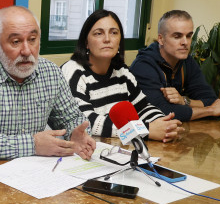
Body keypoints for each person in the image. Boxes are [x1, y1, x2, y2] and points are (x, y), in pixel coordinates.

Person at [0, 5, 96, 160]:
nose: (27, 51)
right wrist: (33, 145)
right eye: (16, 41)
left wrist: (75, 133)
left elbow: (71, 118)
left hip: (29, 172)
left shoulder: (51, 73)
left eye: (32, 40)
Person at [61, 9, 183, 142]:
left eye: (114, 33)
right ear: (86, 42)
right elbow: (85, 123)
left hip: (118, 148)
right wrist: (144, 130)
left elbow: (142, 107)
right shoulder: (72, 72)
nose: (107, 39)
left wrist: (163, 124)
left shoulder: (122, 72)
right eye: (98, 33)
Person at [130, 10, 220, 121]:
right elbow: (161, 112)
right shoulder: (143, 66)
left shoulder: (187, 61)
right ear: (161, 39)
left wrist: (184, 100)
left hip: (180, 130)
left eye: (188, 36)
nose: (185, 42)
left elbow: (210, 99)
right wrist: (210, 110)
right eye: (177, 36)